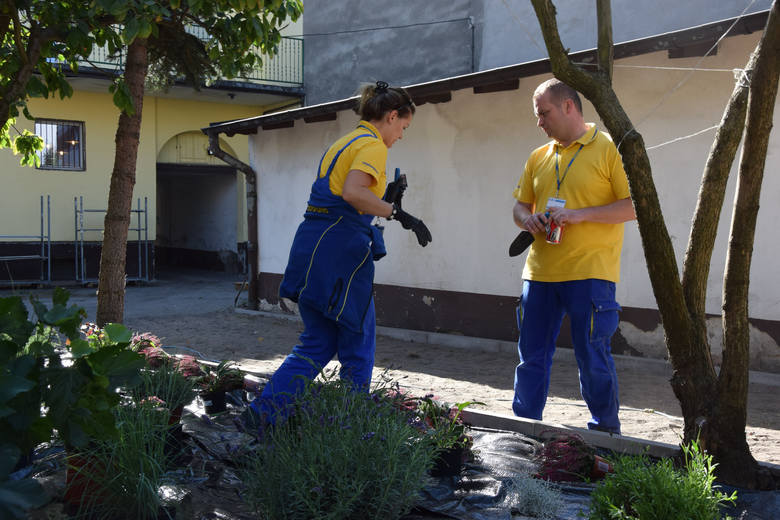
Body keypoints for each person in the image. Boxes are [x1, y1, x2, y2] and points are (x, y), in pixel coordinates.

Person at [248, 80, 432, 425]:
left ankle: (262, 417)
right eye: (403, 127)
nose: (401, 136)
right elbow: (353, 193)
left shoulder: (343, 143)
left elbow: (338, 196)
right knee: (358, 345)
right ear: (391, 116)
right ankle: (349, 430)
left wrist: (384, 203)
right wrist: (396, 213)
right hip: (341, 254)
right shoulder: (373, 146)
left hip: (311, 247)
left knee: (317, 342)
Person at [511, 78, 635, 434]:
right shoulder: (539, 156)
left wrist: (580, 215)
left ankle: (605, 433)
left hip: (590, 273)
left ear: (569, 106)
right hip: (539, 273)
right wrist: (528, 219)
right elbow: (519, 207)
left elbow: (633, 206)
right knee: (531, 358)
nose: (539, 122)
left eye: (543, 113)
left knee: (592, 357)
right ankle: (523, 430)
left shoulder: (610, 149)